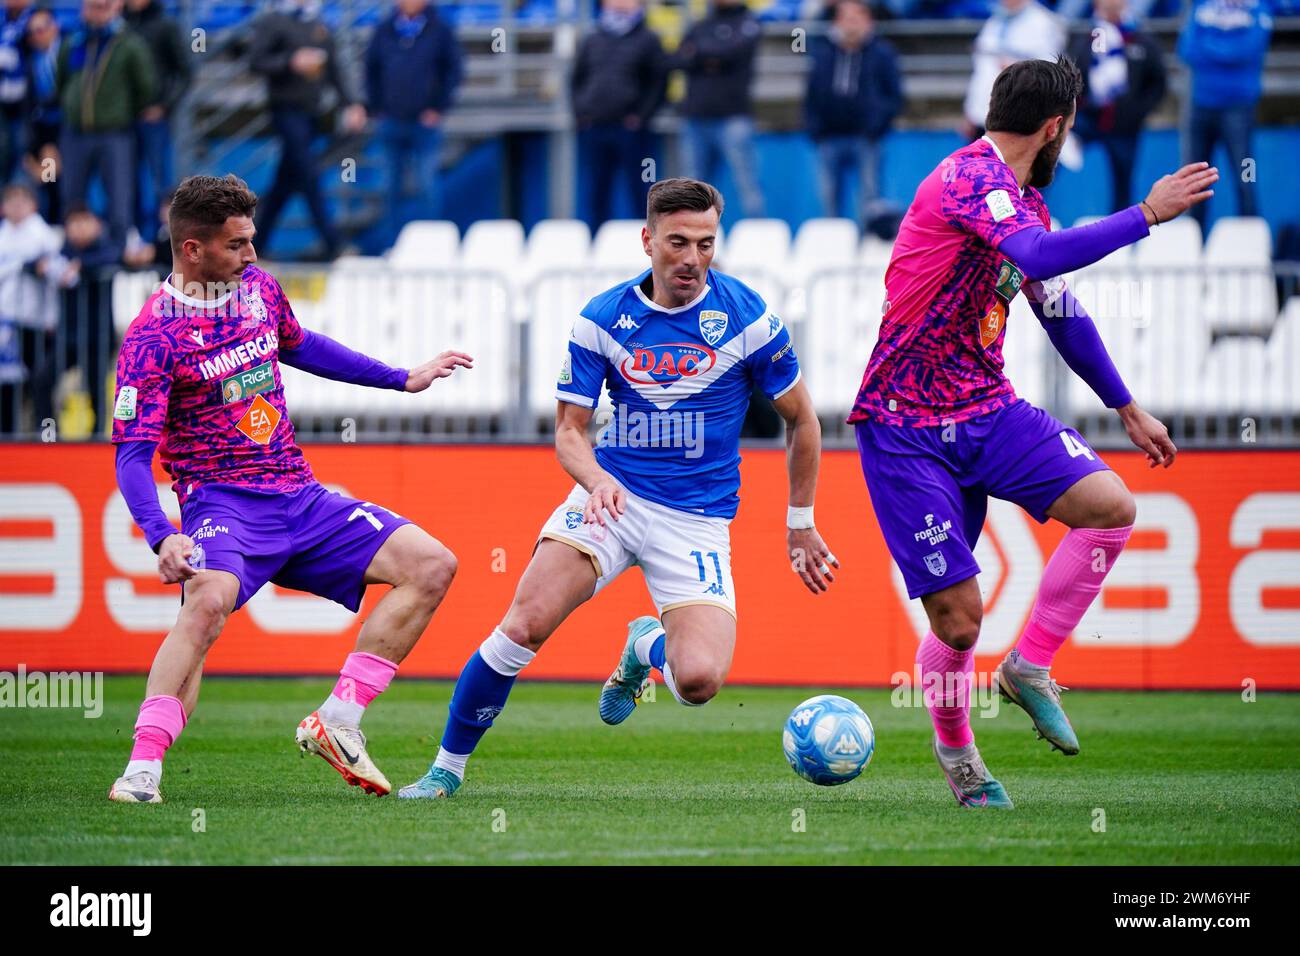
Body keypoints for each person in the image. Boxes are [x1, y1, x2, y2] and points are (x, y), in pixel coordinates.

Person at [849, 58, 1216, 808]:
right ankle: (961, 762)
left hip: (988, 409)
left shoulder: (1022, 202)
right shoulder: (967, 181)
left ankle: (1029, 666)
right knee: (957, 623)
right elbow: (1038, 257)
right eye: (1070, 125)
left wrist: (1125, 405)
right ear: (1057, 126)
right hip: (903, 424)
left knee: (1112, 507)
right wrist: (1144, 214)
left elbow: (1056, 309)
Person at [397, 178, 836, 799]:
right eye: (677, 242)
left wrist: (801, 520)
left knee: (699, 682)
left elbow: (802, 419)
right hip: (613, 498)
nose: (692, 258)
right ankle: (445, 769)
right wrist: (597, 480)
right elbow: (569, 433)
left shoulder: (749, 319)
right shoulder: (602, 319)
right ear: (647, 240)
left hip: (697, 517)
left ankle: (645, 646)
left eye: (706, 244)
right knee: (524, 624)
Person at [105, 174, 473, 804]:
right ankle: (142, 770)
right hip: (221, 504)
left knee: (433, 565)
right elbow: (133, 456)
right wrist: (162, 534)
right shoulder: (152, 337)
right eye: (237, 244)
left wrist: (401, 378)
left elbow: (302, 346)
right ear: (192, 250)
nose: (252, 254)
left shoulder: (259, 290)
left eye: (251, 240)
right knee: (206, 603)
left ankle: (338, 720)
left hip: (301, 497)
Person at [248, 0, 366, 259]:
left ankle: (257, 241)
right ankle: (334, 242)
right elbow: (256, 61)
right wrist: (290, 61)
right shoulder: (274, 21)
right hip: (285, 111)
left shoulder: (318, 23)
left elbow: (333, 69)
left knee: (285, 183)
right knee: (309, 176)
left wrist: (351, 103)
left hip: (311, 114)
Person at [364, 0, 463, 251]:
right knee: (389, 188)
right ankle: (393, 247)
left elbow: (453, 70)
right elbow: (370, 70)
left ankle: (432, 248)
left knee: (428, 186)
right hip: (391, 122)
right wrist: (377, 108)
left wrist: (438, 107)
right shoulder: (385, 29)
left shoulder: (440, 29)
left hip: (424, 125)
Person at [57, 0, 156, 245]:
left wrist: (119, 113)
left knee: (119, 198)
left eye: (104, 6)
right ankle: (71, 256)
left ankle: (118, 253)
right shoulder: (73, 42)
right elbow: (62, 82)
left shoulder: (129, 44)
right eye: (93, 6)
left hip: (115, 133)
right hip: (75, 133)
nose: (97, 11)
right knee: (71, 196)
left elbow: (145, 88)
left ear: (116, 8)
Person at [571, 0, 668, 230]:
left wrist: (641, 117)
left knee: (641, 189)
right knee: (596, 190)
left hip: (633, 131)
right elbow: (576, 79)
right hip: (595, 127)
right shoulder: (593, 38)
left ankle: (646, 244)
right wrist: (581, 113)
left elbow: (658, 82)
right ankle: (595, 242)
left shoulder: (648, 39)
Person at [804, 0, 902, 223]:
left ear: (869, 22)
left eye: (857, 18)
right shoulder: (823, 51)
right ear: (837, 22)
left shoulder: (882, 52)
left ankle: (868, 245)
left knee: (869, 198)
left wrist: (877, 127)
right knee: (829, 199)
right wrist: (815, 129)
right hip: (829, 137)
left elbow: (894, 95)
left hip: (866, 138)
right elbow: (811, 92)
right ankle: (832, 245)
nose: (851, 25)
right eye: (846, 19)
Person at [1178, 0, 1272, 229]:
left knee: (1247, 175)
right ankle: (1194, 245)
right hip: (1200, 106)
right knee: (1194, 182)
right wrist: (1227, 49)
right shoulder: (1201, 8)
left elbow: (1250, 49)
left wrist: (1211, 47)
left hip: (1239, 108)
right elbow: (1187, 49)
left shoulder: (1258, 8)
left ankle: (1252, 236)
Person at [1067, 0, 1167, 213]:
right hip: (1087, 121)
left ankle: (1122, 235)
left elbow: (1158, 82)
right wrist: (1078, 109)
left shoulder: (1140, 39)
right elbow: (1073, 73)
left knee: (1123, 182)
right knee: (1054, 161)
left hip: (1125, 126)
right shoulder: (1088, 38)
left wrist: (1138, 112)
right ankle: (1034, 218)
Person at [675, 0, 765, 219]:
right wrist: (709, 56)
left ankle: (759, 243)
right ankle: (695, 242)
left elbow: (729, 52)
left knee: (747, 185)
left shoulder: (748, 23)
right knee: (693, 191)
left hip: (733, 117)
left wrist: (700, 53)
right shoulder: (700, 24)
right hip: (696, 117)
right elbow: (680, 59)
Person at [124, 0, 192, 235]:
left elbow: (185, 71)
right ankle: (133, 238)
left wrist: (164, 106)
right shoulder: (120, 26)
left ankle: (161, 239)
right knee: (125, 182)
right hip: (121, 121)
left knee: (158, 183)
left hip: (154, 121)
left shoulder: (165, 26)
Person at [962, 0, 1064, 142]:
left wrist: (1017, 70)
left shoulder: (1045, 23)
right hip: (986, 119)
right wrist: (971, 112)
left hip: (1023, 123)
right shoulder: (995, 21)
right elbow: (982, 72)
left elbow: (1051, 76)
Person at [22, 7, 61, 223]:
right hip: (43, 132)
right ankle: (51, 222)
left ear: (54, 27)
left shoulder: (65, 52)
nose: (38, 35)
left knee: (60, 178)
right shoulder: (32, 59)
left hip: (65, 129)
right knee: (48, 178)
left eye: (42, 29)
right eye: (33, 31)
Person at [0, 0, 32, 181]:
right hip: (6, 105)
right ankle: (8, 205)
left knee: (43, 161)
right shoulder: (3, 22)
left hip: (41, 112)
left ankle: (47, 206)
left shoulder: (39, 19)